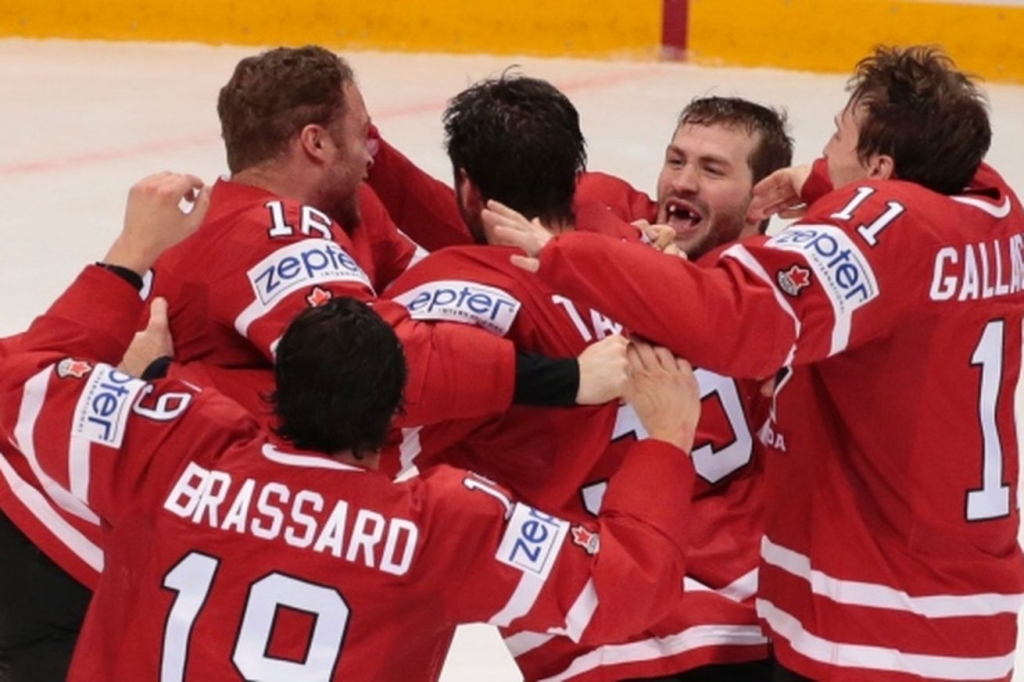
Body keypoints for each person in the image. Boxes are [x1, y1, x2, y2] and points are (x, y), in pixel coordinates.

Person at [0, 171, 703, 682]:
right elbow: (625, 591)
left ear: (275, 388)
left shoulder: (175, 443)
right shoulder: (442, 525)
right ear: (396, 407)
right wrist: (667, 443)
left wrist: (129, 259)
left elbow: (20, 380)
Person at [490, 45, 1024, 681]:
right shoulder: (993, 210)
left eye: (837, 139)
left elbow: (739, 321)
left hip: (874, 627)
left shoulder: (885, 231)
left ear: (880, 171)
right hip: (965, 615)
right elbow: (905, 221)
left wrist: (568, 257)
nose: (822, 155)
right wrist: (821, 183)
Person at [377, 75, 778, 680]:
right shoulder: (688, 265)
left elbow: (383, 385)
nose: (683, 182)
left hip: (596, 637)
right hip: (761, 621)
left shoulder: (462, 289)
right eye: (675, 161)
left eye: (712, 169)